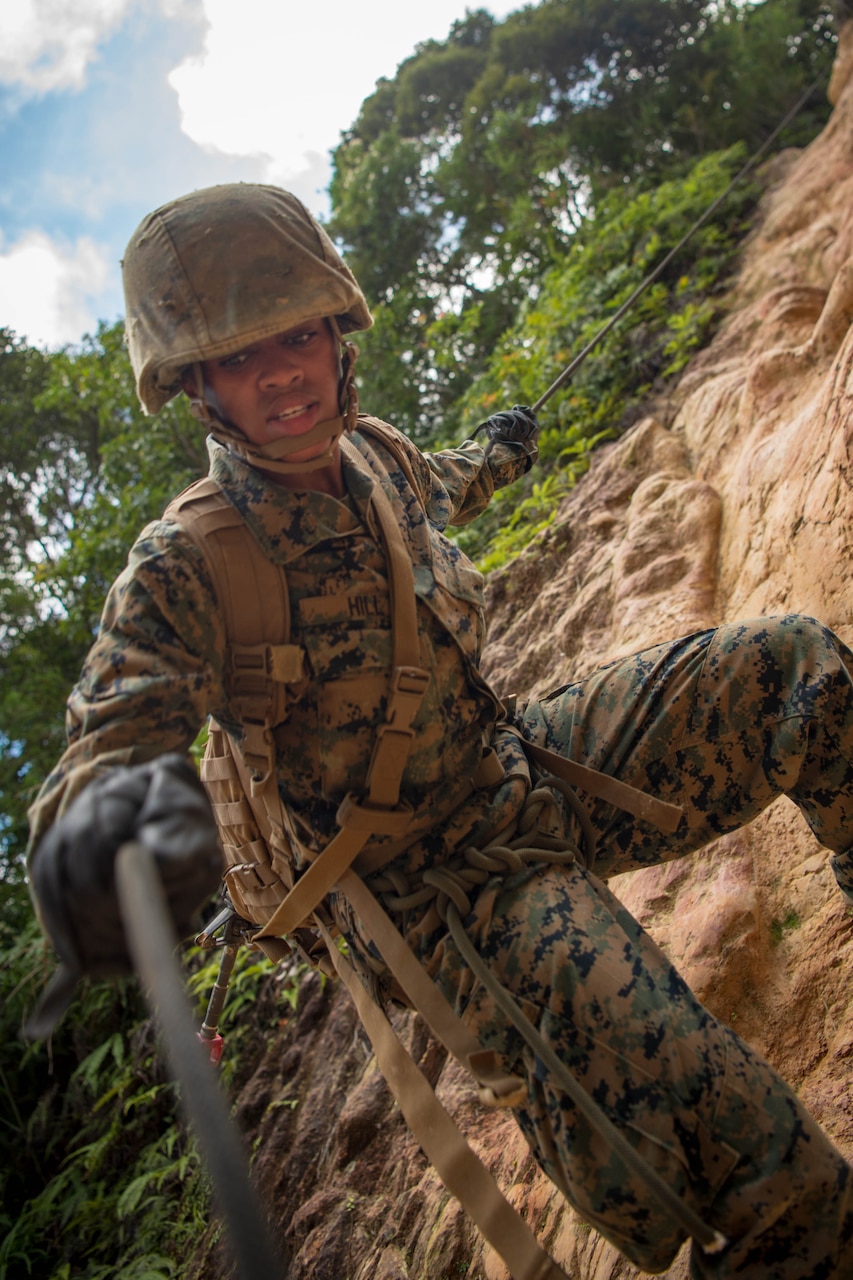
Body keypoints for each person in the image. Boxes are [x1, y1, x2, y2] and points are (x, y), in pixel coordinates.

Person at [26, 182, 853, 1278]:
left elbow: (445, 483)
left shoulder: (374, 454)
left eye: (297, 332)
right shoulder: (185, 564)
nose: (279, 369)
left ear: (334, 330)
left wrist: (505, 449)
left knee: (790, 671)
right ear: (193, 385)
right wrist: (98, 828)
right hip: (438, 897)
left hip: (520, 765)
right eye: (237, 356)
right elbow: (113, 732)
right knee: (756, 1165)